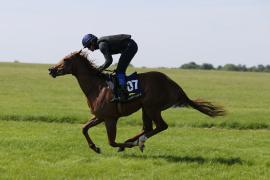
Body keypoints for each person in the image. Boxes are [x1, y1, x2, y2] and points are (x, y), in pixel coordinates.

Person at [82, 34, 138, 102]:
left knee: (120, 71)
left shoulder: (102, 45)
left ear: (92, 42)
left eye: (88, 46)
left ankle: (124, 94)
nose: (89, 49)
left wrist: (98, 70)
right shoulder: (101, 44)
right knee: (119, 71)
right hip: (129, 46)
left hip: (130, 46)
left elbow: (109, 61)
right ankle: (122, 90)